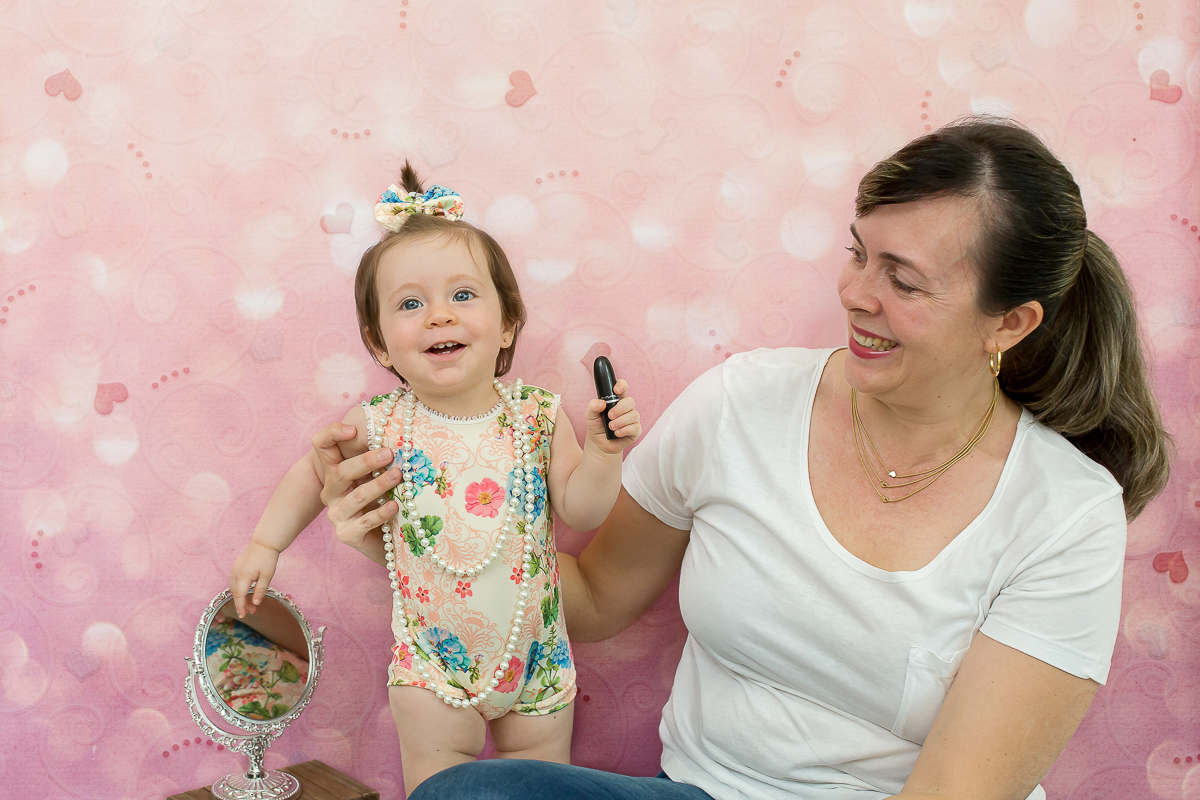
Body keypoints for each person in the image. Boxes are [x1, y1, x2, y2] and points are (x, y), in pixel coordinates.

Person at [314, 119, 1171, 800]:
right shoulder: (742, 403)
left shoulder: (1066, 513)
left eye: (903, 281)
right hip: (704, 791)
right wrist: (418, 542)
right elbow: (594, 598)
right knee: (468, 795)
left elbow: (954, 792)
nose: (856, 295)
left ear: (1010, 323)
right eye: (858, 253)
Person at [228, 164, 641, 793]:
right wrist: (266, 543)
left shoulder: (537, 415)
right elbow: (315, 472)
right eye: (411, 304)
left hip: (536, 661)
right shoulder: (379, 423)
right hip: (432, 667)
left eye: (463, 295)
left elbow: (581, 511)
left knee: (543, 789)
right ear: (379, 343)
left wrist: (605, 456)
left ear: (508, 323)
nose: (439, 316)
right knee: (440, 789)